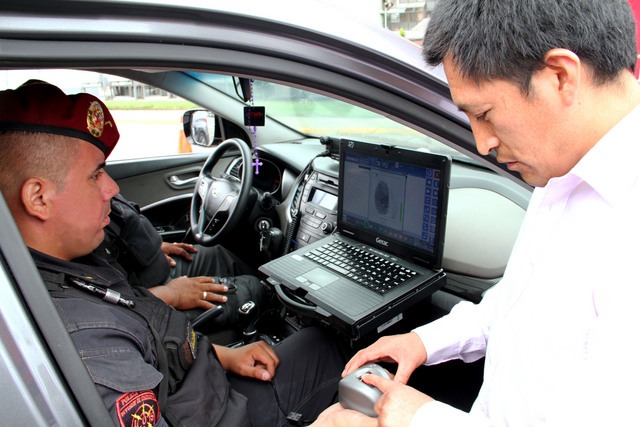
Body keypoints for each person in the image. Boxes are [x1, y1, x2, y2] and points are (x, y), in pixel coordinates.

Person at [313, 0, 640, 426]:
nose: (482, 142)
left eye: (483, 114)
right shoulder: (561, 167)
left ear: (561, 76)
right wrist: (423, 341)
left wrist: (417, 417)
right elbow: (517, 303)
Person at [0, 80, 347, 426]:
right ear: (38, 198)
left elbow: (147, 335)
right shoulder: (91, 344)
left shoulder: (64, 268)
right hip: (227, 413)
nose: (112, 187)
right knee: (328, 342)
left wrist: (223, 356)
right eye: (96, 175)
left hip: (203, 385)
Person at [101, 192, 272, 331]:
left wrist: (151, 245)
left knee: (220, 256)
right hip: (143, 304)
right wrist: (172, 294)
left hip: (139, 266)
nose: (112, 186)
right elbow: (106, 306)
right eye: (95, 175)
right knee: (254, 289)